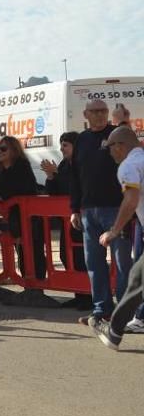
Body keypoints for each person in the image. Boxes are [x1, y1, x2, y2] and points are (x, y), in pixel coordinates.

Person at [70, 100, 132, 325]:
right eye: (94, 111)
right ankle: (101, 310)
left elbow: (132, 150)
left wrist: (123, 121)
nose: (99, 115)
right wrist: (74, 208)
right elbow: (75, 176)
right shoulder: (82, 140)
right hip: (89, 211)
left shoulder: (116, 135)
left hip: (117, 209)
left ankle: (125, 311)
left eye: (102, 111)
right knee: (94, 263)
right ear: (85, 114)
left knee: (122, 262)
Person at [89, 126, 144, 350]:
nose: (109, 152)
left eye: (109, 147)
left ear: (120, 146)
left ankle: (114, 332)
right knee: (137, 279)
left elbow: (130, 201)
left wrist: (113, 230)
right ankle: (114, 331)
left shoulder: (128, 167)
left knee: (138, 282)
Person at [0, 135, 49, 304]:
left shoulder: (22, 165)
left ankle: (38, 286)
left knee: (34, 249)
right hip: (12, 215)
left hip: (28, 215)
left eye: (3, 149)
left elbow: (22, 188)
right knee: (20, 249)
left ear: (14, 150)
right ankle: (28, 285)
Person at [41, 131, 91, 310]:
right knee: (66, 255)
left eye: (65, 145)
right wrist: (50, 176)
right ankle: (79, 294)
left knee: (82, 257)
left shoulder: (83, 163)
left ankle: (88, 296)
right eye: (61, 145)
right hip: (67, 219)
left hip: (83, 217)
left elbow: (76, 186)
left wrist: (57, 174)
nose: (61, 149)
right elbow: (54, 191)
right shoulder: (63, 164)